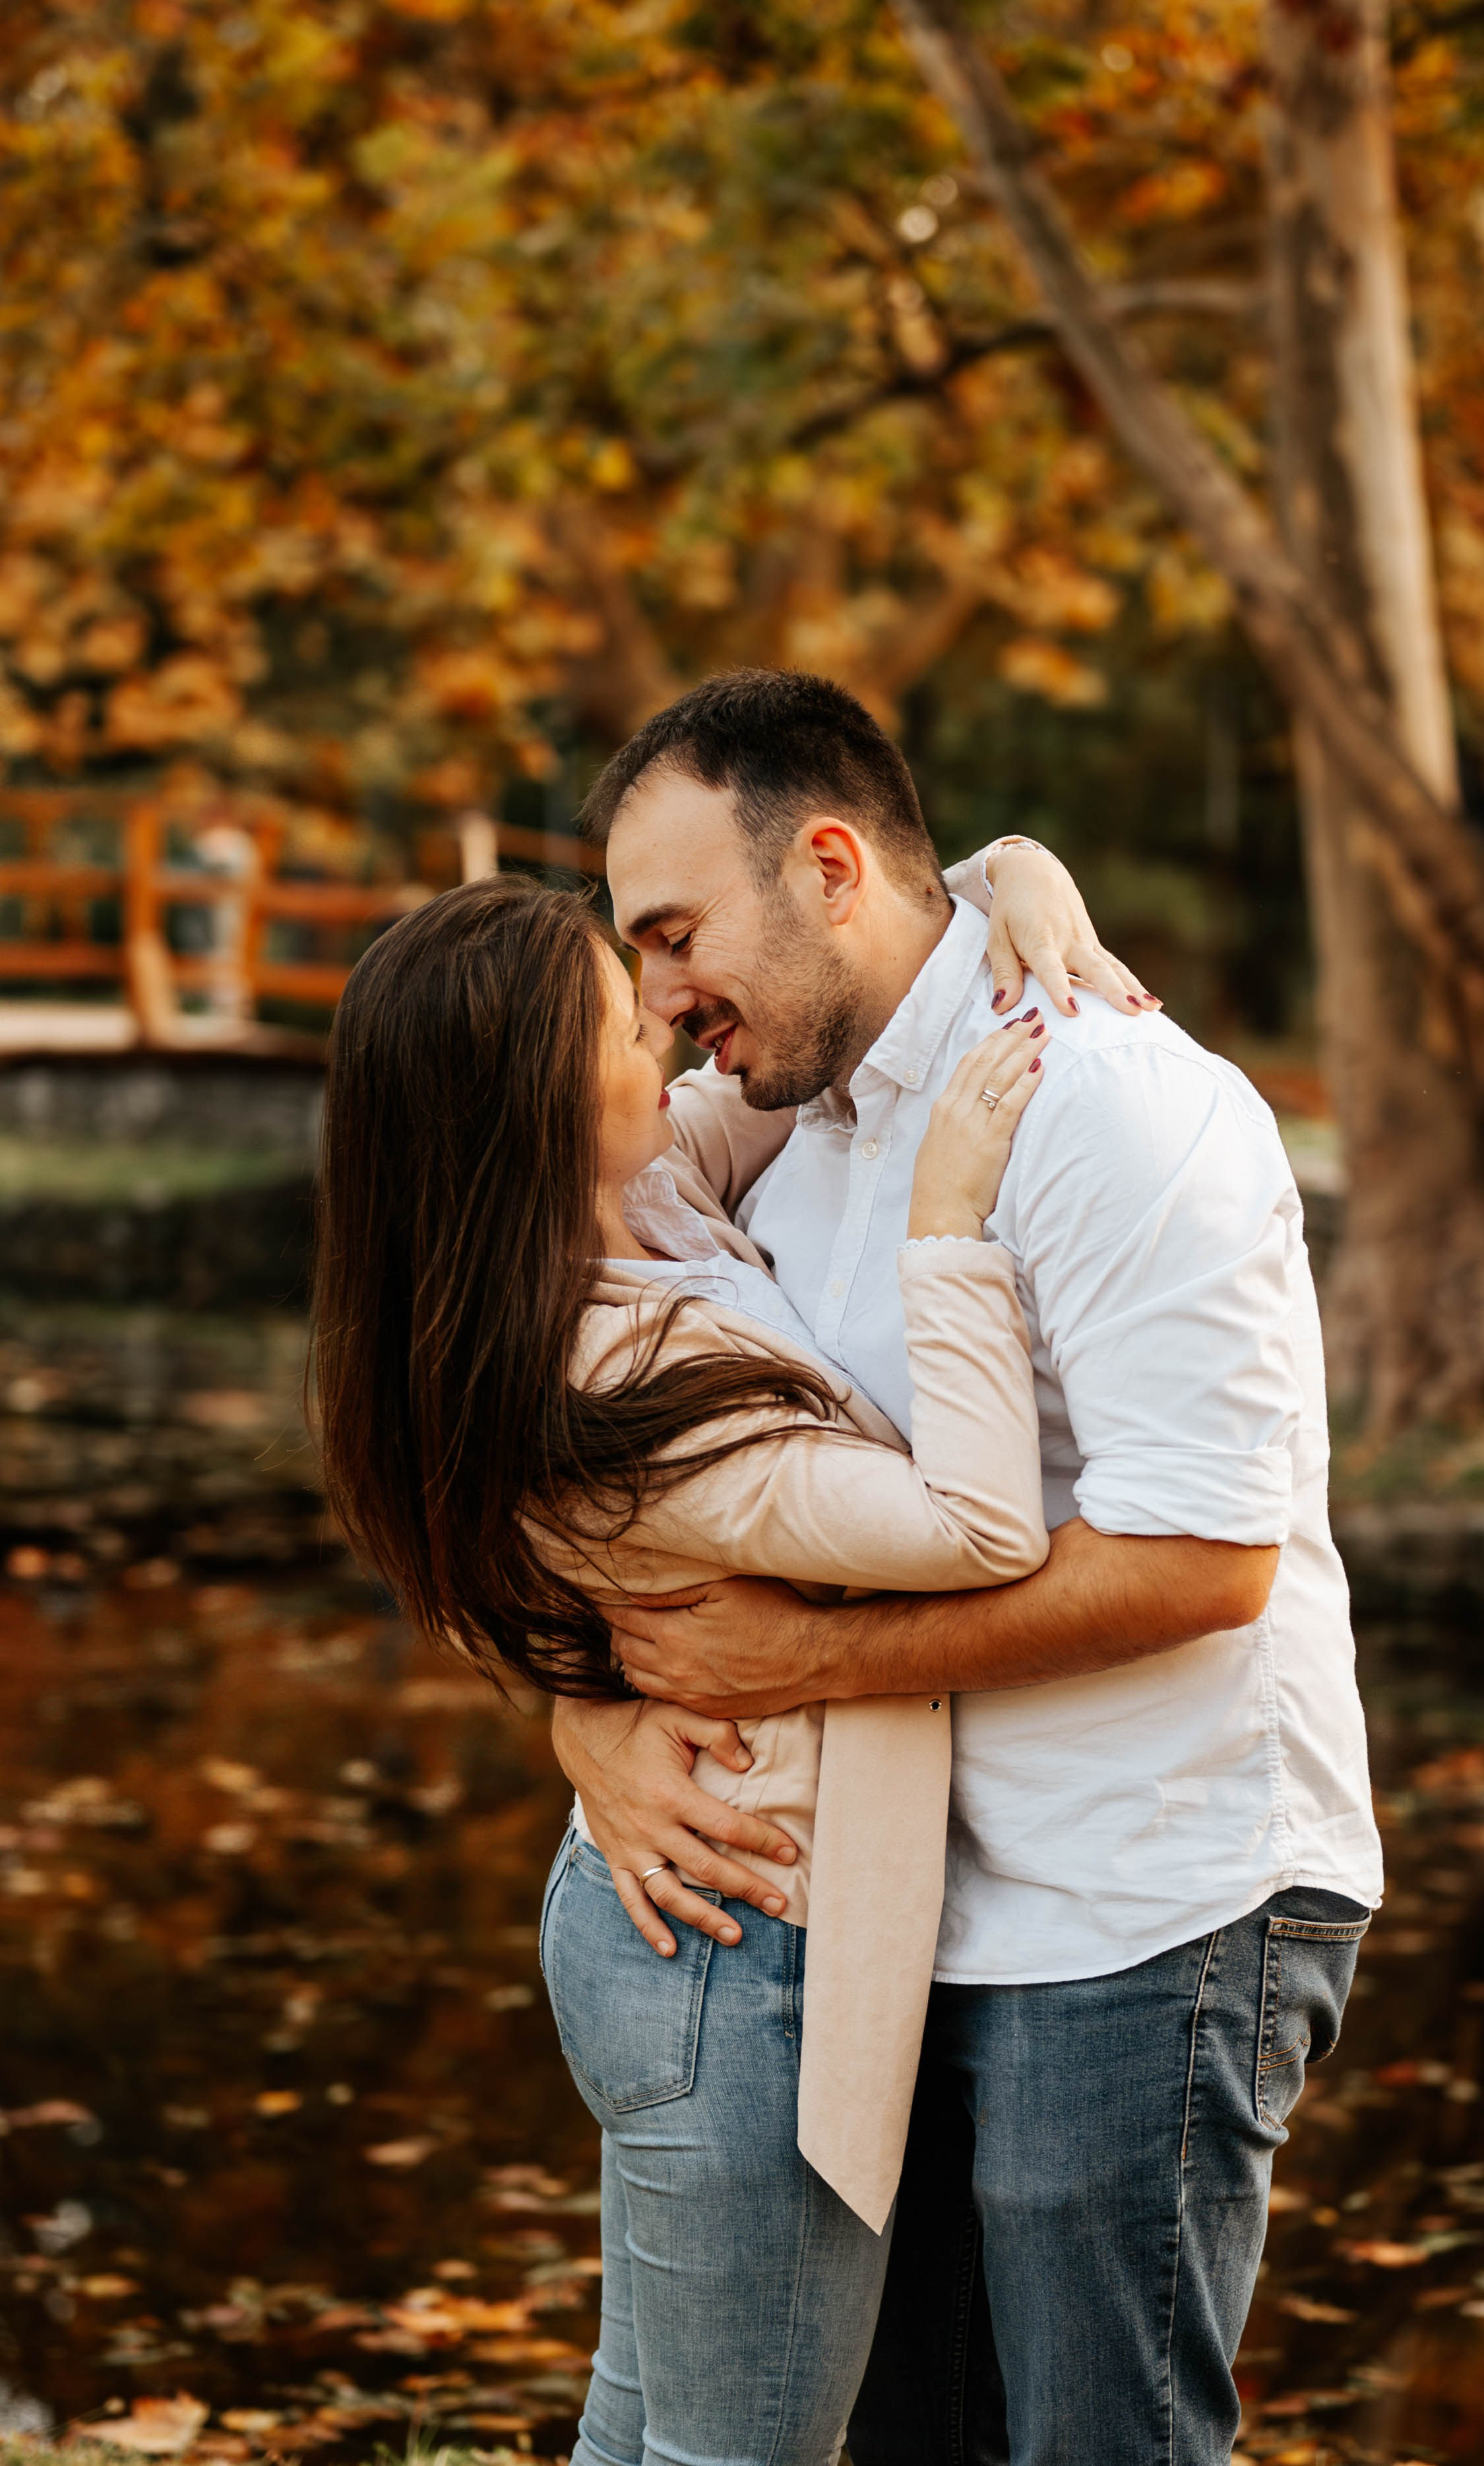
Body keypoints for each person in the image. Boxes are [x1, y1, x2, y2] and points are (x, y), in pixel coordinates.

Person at [555, 667, 1384, 2466]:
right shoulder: (786, 1123)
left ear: (832, 867)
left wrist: (784, 1665)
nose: (657, 994)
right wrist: (587, 1713)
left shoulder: (1103, 1106)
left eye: (677, 932)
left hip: (1142, 1895)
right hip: (911, 1912)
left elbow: (1198, 1567)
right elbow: (569, 1443)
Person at [307, 837, 1141, 2466]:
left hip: (698, 1919)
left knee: (647, 2436)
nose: (674, 1033)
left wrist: (1004, 880)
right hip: (736, 1959)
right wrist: (945, 1222)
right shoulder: (630, 1396)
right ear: (534, 1114)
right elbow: (978, 1530)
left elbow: (828, 975)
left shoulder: (637, 1202)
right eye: (628, 1029)